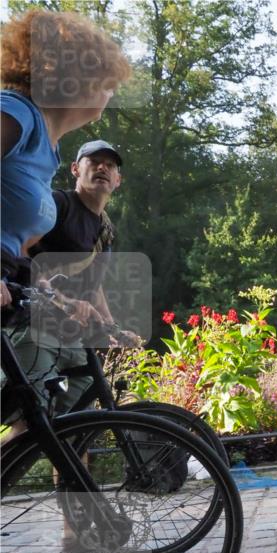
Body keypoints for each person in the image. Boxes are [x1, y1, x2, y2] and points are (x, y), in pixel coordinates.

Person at [1, 8, 131, 311]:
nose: (111, 94)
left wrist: (53, 295)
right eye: (107, 82)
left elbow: (15, 243)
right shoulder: (16, 114)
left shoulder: (50, 151)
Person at [9, 140, 133, 417]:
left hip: (74, 337)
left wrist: (112, 327)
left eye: (110, 165)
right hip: (32, 325)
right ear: (76, 169)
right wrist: (63, 300)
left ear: (117, 180)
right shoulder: (57, 205)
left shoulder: (106, 229)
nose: (102, 167)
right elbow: (20, 250)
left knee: (79, 425)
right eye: (94, 161)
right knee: (32, 420)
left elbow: (93, 284)